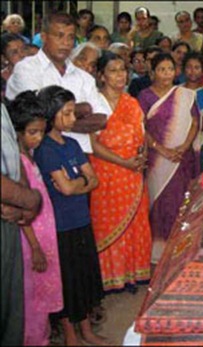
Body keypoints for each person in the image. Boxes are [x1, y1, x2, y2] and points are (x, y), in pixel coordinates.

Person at [34, 85, 105, 346]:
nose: (73, 119)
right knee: (67, 280)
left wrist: (76, 185)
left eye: (73, 112)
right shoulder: (45, 149)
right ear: (51, 114)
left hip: (81, 219)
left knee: (84, 277)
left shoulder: (73, 143)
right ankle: (71, 335)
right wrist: (77, 183)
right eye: (67, 113)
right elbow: (64, 188)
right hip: (60, 225)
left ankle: (86, 330)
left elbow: (93, 180)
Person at [89, 52, 151, 293]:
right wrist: (124, 163)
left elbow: (142, 135)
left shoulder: (132, 102)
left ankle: (133, 274)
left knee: (136, 223)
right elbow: (93, 144)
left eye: (122, 70)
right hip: (106, 172)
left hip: (133, 173)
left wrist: (142, 157)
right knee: (107, 223)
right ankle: (110, 277)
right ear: (101, 76)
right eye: (113, 70)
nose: (120, 75)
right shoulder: (93, 102)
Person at [6, 12, 108, 154]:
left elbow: (102, 120)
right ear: (43, 37)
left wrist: (56, 121)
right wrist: (83, 110)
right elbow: (38, 112)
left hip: (80, 160)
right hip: (40, 160)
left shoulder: (84, 77)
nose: (66, 43)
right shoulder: (26, 68)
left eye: (70, 37)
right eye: (59, 36)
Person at [8, 92, 63, 346]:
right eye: (32, 132)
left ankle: (42, 337)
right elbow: (23, 217)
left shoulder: (30, 155)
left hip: (44, 237)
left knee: (42, 297)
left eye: (41, 131)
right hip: (32, 244)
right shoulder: (17, 162)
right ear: (17, 132)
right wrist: (36, 247)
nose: (39, 138)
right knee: (31, 300)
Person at [138, 53, 199, 264]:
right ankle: (156, 254)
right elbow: (140, 128)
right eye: (161, 69)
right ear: (153, 72)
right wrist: (160, 148)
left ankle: (179, 252)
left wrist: (184, 145)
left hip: (181, 158)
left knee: (179, 202)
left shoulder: (184, 94)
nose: (166, 74)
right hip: (156, 158)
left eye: (170, 69)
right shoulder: (144, 96)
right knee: (158, 203)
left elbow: (194, 122)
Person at [1, 103, 42, 346]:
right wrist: (30, 199)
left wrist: (24, 194)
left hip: (10, 213)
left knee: (9, 308)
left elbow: (12, 153)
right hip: (8, 209)